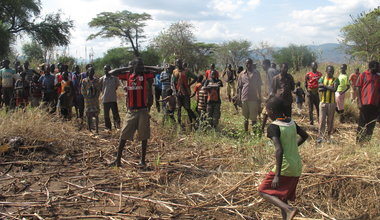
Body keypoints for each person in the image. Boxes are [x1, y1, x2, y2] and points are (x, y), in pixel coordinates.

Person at [258, 96, 308, 220]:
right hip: (296, 166)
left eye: (267, 111)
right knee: (282, 198)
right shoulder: (291, 122)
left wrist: (277, 175)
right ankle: (287, 213)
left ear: (272, 111)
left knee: (262, 190)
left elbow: (279, 150)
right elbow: (305, 135)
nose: (267, 113)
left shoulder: (273, 127)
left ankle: (289, 209)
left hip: (285, 167)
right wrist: (292, 147)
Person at [111, 58, 155, 168]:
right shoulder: (127, 75)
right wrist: (129, 68)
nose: (141, 67)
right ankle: (118, 160)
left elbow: (159, 69)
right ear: (133, 66)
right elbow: (112, 72)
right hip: (131, 111)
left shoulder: (146, 75)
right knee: (123, 135)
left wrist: (145, 67)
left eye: (142, 65)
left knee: (143, 136)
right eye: (139, 65)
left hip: (143, 111)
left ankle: (142, 161)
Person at [356, 61, 380, 143]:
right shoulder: (363, 75)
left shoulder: (378, 77)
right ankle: (359, 142)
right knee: (362, 124)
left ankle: (367, 142)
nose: (379, 68)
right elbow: (358, 88)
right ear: (373, 67)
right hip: (364, 104)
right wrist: (359, 102)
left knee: (371, 125)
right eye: (378, 67)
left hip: (375, 105)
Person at [237, 58, 262, 132]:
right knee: (245, 118)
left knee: (254, 118)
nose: (249, 65)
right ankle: (246, 132)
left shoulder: (257, 73)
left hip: (253, 99)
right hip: (244, 98)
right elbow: (239, 87)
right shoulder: (241, 74)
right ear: (245, 64)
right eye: (247, 63)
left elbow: (259, 86)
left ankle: (254, 132)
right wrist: (239, 97)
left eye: (250, 63)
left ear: (252, 64)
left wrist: (260, 97)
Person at [171, 58, 197, 127]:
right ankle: (179, 123)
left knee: (187, 108)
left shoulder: (187, 71)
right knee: (179, 108)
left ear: (182, 63)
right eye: (177, 63)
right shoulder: (175, 71)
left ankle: (194, 121)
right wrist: (175, 91)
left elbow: (195, 77)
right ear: (176, 64)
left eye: (179, 62)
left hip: (186, 93)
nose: (178, 64)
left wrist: (189, 84)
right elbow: (173, 82)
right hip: (178, 93)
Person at [317, 65, 340, 143]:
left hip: (331, 103)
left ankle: (329, 137)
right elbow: (319, 89)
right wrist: (328, 87)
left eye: (332, 71)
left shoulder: (336, 79)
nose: (331, 72)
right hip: (323, 102)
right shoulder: (322, 78)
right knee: (321, 120)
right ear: (326, 71)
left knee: (330, 121)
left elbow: (334, 89)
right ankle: (320, 137)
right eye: (329, 71)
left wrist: (324, 86)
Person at [99, 64, 121, 130]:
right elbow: (100, 88)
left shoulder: (115, 78)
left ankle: (117, 126)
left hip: (113, 99)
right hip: (105, 99)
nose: (106, 70)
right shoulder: (102, 79)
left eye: (108, 69)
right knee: (106, 115)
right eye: (105, 69)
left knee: (115, 114)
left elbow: (116, 86)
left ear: (110, 70)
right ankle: (108, 128)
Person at [81, 67, 101, 133]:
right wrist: (87, 96)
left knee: (96, 115)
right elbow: (83, 90)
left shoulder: (96, 80)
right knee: (88, 115)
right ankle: (89, 129)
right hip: (88, 101)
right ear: (88, 72)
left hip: (95, 100)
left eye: (93, 71)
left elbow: (98, 90)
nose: (91, 73)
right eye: (90, 71)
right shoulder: (84, 81)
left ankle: (97, 129)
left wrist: (96, 96)